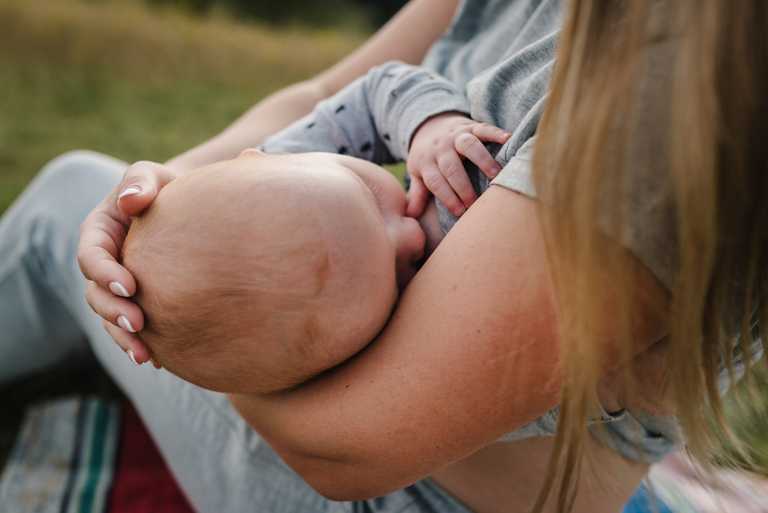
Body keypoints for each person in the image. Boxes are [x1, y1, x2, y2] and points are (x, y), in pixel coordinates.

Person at [3, 2, 764, 513]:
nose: (407, 224)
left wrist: (187, 327)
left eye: (405, 270)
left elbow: (345, 451)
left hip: (397, 492)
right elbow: (335, 93)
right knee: (94, 197)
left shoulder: (679, 94)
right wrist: (152, 200)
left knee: (62, 198)